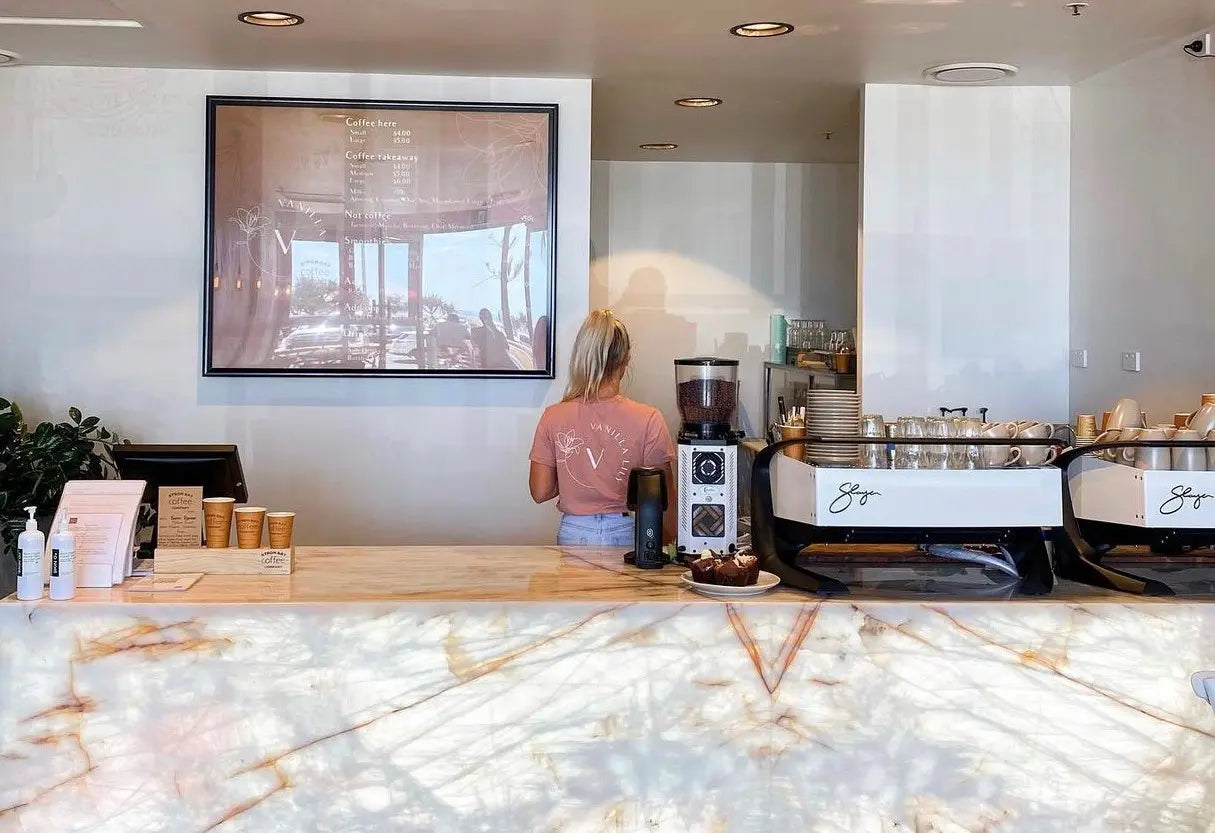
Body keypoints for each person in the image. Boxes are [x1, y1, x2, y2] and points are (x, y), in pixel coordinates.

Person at [528, 309, 676, 547]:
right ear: (625, 359)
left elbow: (540, 491)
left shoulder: (553, 416)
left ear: (581, 355)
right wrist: (669, 549)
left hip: (573, 531)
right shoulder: (649, 419)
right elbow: (661, 498)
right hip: (627, 531)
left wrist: (573, 473)